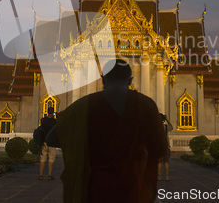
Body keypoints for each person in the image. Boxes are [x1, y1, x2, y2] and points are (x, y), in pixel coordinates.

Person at [46, 59, 168, 203]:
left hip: (97, 189)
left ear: (103, 79)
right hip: (134, 190)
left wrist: (82, 142)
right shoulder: (147, 105)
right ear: (130, 80)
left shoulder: (84, 106)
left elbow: (51, 138)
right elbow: (161, 149)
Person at [39, 106, 56, 180]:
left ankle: (41, 175)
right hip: (51, 143)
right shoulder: (55, 121)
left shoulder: (43, 120)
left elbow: (41, 130)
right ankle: (49, 175)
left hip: (44, 142)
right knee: (51, 159)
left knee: (43, 158)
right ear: (53, 113)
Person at [157, 113, 173, 181]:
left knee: (159, 162)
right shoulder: (166, 127)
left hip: (159, 146)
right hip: (166, 147)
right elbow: (171, 127)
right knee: (166, 162)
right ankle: (166, 177)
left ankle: (159, 177)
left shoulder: (155, 127)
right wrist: (167, 119)